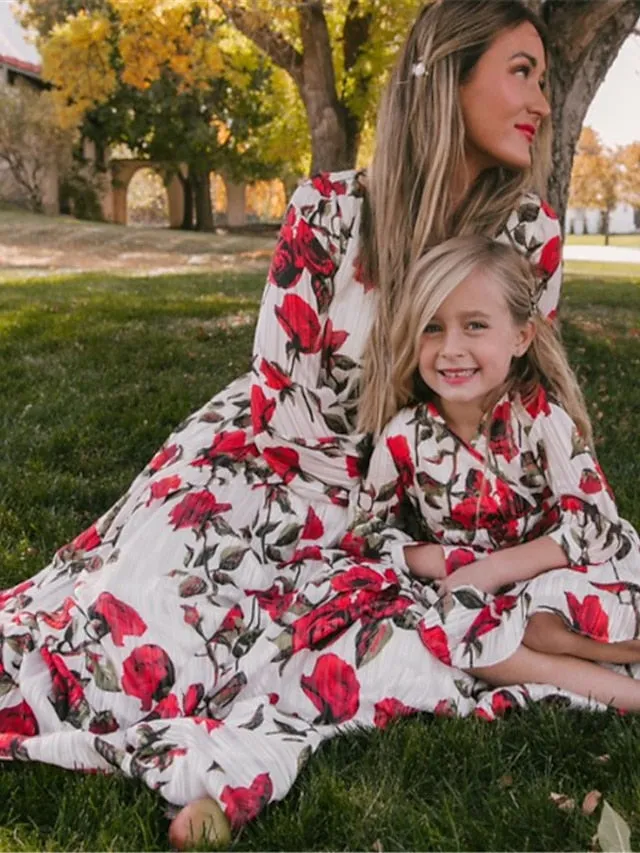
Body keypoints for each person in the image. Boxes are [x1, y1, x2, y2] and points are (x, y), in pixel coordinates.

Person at [0, 1, 562, 848]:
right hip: (265, 464)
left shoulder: (531, 235)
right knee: (143, 624)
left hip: (417, 497)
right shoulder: (328, 211)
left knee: (388, 621)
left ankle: (240, 757)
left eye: (546, 80)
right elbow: (281, 402)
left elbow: (514, 417)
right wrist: (350, 528)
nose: (543, 103)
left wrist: (408, 522)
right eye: (523, 72)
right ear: (450, 77)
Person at [350, 234, 640, 714]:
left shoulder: (540, 419)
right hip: (479, 593)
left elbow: (596, 524)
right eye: (433, 328)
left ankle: (616, 656)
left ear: (521, 337)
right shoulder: (405, 436)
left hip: (564, 572)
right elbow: (366, 530)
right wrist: (450, 562)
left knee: (545, 622)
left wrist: (495, 568)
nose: (451, 349)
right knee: (466, 632)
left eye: (475, 326)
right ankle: (627, 694)